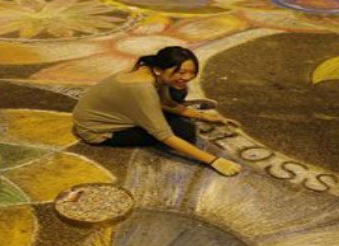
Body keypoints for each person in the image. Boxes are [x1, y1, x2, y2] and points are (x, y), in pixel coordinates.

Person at [72, 46, 243, 176]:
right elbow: (164, 135)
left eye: (192, 73)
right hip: (98, 132)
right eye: (181, 72)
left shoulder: (149, 70)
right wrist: (214, 161)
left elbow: (165, 103)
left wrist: (204, 116)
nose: (187, 77)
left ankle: (159, 115)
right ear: (158, 70)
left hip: (111, 113)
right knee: (183, 131)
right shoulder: (142, 89)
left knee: (178, 91)